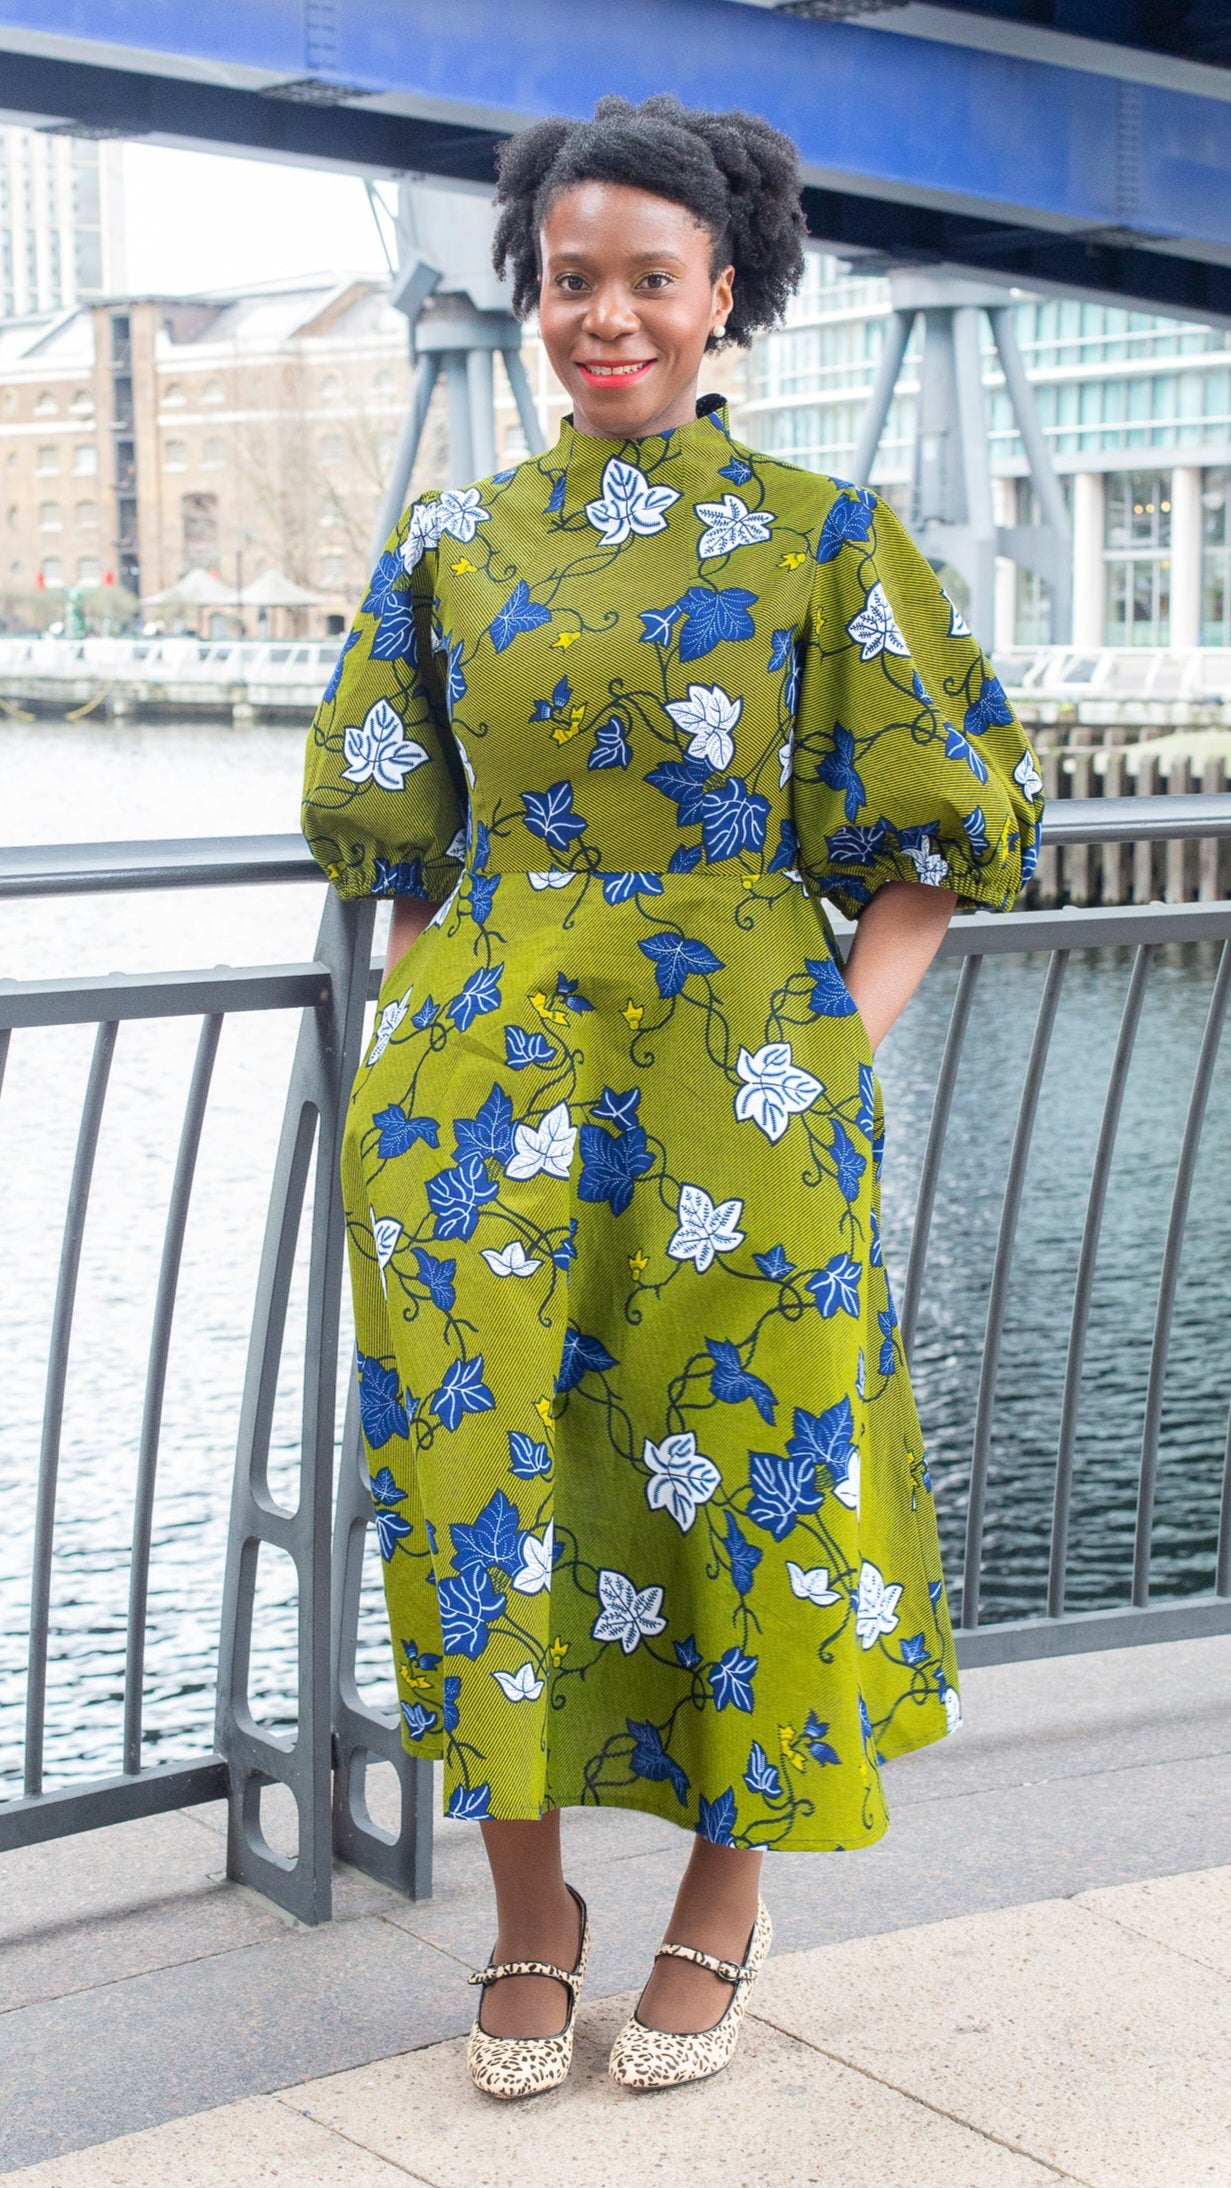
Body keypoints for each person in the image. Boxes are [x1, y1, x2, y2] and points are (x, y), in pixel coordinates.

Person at [301, 92, 1045, 2102]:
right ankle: (527, 1913)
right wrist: (419, 1044)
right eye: (569, 282)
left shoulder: (821, 541)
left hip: (745, 1100)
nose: (603, 316)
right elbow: (394, 836)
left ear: (728, 295)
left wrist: (829, 1048)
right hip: (476, 1111)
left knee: (761, 1484)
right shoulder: (453, 546)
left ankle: (723, 1897)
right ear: (529, 299)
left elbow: (938, 838)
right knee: (484, 1490)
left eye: (649, 279)